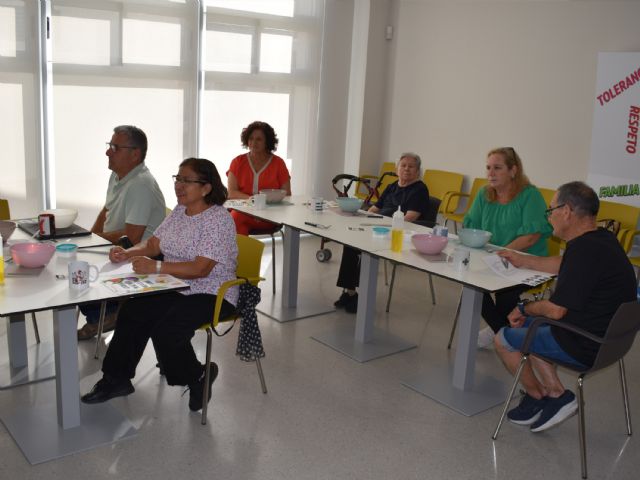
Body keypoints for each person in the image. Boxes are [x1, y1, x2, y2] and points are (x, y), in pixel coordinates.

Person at [81, 158, 238, 413]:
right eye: (178, 179)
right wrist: (128, 253)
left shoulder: (218, 220)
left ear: (206, 188)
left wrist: (156, 267)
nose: (179, 185)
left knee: (168, 329)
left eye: (187, 180)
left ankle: (198, 375)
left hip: (212, 291)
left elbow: (201, 269)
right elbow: (154, 244)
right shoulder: (180, 211)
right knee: (133, 310)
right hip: (175, 285)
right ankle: (116, 379)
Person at [495, 181, 636, 432]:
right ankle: (555, 394)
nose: (549, 217)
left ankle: (539, 396)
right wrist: (523, 260)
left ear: (567, 211)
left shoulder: (583, 250)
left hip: (584, 344)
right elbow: (563, 264)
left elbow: (556, 310)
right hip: (612, 342)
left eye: (551, 210)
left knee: (503, 338)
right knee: (529, 326)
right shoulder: (601, 239)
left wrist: (523, 307)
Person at [77, 125, 166, 340]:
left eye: (115, 147)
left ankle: (110, 313)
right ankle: (103, 314)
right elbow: (106, 210)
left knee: (82, 271)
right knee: (75, 263)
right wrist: (90, 238)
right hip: (117, 246)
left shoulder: (141, 184)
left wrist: (93, 240)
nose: (108, 152)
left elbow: (132, 238)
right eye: (110, 145)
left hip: (140, 253)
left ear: (135, 154)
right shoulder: (118, 175)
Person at [462, 147, 552, 348]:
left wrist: (501, 254)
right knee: (470, 285)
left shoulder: (530, 195)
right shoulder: (485, 193)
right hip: (494, 258)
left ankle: (501, 335)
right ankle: (503, 332)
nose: (490, 173)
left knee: (505, 295)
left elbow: (531, 237)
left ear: (513, 170)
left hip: (527, 261)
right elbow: (472, 226)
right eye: (488, 168)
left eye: (497, 168)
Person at [334, 153, 431, 313]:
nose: (406, 169)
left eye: (411, 166)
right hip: (378, 227)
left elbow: (410, 218)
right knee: (350, 243)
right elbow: (375, 208)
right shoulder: (392, 186)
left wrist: (382, 227)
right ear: (397, 168)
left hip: (398, 233)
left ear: (418, 171)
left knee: (364, 247)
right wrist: (362, 219)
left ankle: (359, 297)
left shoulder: (419, 189)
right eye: (403, 165)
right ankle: (350, 292)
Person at [227, 121, 291, 235]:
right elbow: (231, 193)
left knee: (235, 220)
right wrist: (253, 200)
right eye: (251, 138)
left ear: (267, 142)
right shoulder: (237, 162)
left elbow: (287, 194)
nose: (253, 142)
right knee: (238, 223)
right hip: (244, 212)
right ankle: (242, 248)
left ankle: (227, 247)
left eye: (259, 139)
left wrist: (265, 202)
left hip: (270, 216)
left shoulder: (278, 163)